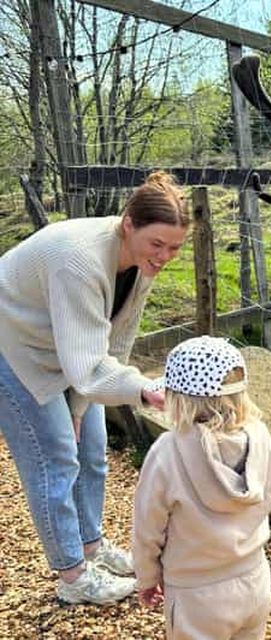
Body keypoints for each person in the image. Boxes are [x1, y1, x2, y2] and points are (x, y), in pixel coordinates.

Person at [0, 171, 190, 604]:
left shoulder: (141, 264)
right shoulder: (81, 261)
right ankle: (74, 578)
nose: (164, 256)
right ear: (128, 225)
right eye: (157, 244)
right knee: (55, 459)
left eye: (174, 248)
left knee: (91, 451)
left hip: (60, 343)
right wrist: (143, 390)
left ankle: (91, 545)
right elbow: (86, 364)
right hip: (11, 344)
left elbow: (116, 341)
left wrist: (82, 405)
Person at [132, 335, 271, 640]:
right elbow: (268, 493)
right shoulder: (261, 436)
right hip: (253, 579)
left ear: (176, 397)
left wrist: (146, 577)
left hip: (194, 593)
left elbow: (148, 526)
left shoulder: (168, 451)